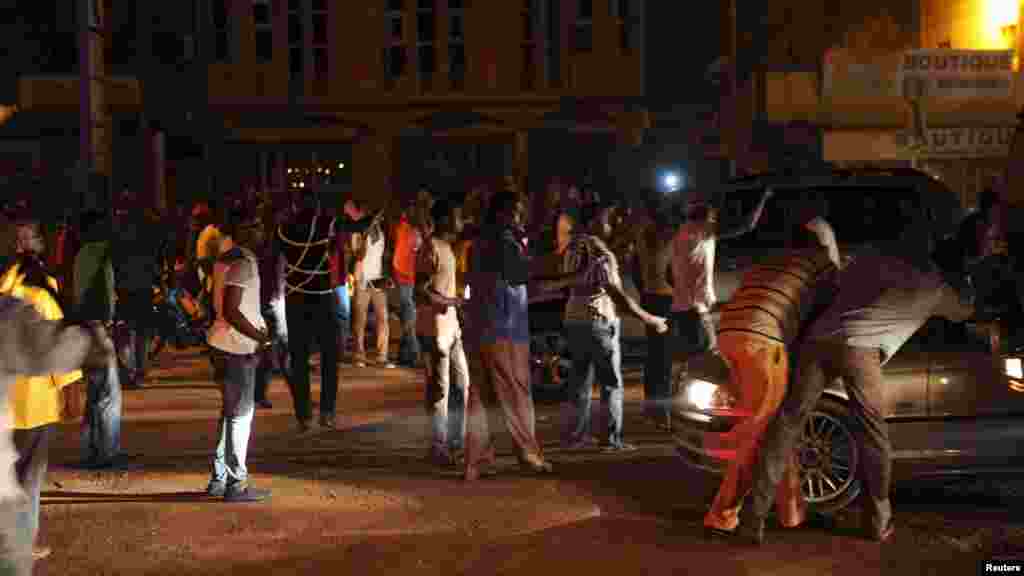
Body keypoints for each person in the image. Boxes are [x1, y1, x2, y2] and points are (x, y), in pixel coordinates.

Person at [733, 238, 975, 545]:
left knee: (787, 423)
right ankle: (877, 521)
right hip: (861, 352)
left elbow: (837, 284)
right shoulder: (939, 289)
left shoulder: (876, 259)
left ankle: (752, 521)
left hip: (817, 341)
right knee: (872, 432)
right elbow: (966, 311)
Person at [703, 217, 841, 538]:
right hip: (762, 340)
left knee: (778, 427)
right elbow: (828, 315)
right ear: (824, 244)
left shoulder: (773, 261)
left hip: (730, 334)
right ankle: (722, 515)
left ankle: (792, 512)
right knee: (759, 433)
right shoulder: (822, 265)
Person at [1, 216, 113, 564]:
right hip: (33, 403)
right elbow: (62, 345)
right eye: (30, 238)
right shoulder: (31, 292)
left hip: (10, 406)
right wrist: (71, 389)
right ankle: (24, 541)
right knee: (28, 480)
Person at [538, 203, 668, 452]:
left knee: (580, 382)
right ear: (595, 222)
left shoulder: (571, 247)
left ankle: (575, 437)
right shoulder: (599, 253)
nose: (613, 223)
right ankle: (610, 439)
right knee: (610, 383)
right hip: (598, 321)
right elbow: (619, 298)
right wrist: (651, 319)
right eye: (608, 219)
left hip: (574, 320)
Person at [463, 191, 552, 481]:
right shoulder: (504, 241)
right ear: (502, 214)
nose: (520, 217)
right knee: (516, 393)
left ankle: (476, 462)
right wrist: (561, 267)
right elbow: (520, 274)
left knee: (480, 396)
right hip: (505, 329)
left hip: (478, 327)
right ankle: (528, 453)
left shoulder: (477, 242)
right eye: (516, 212)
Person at [277, 191, 376, 433]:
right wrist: (373, 216)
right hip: (322, 299)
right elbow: (359, 225)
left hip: (295, 299)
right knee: (330, 359)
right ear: (318, 206)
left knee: (299, 359)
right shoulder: (326, 224)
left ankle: (303, 416)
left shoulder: (283, 228)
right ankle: (327, 413)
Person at [205, 210, 272, 502]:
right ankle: (236, 483)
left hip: (221, 343)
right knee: (240, 416)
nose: (262, 231)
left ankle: (220, 479)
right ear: (244, 232)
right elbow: (232, 309)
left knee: (230, 414)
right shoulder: (244, 263)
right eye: (256, 226)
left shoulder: (224, 259)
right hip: (237, 347)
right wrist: (260, 337)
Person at [670, 189, 772, 359]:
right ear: (706, 218)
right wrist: (763, 197)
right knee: (706, 357)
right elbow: (748, 225)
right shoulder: (704, 231)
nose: (715, 219)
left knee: (692, 356)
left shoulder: (680, 233)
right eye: (713, 216)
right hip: (695, 309)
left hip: (684, 305)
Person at [417, 200, 469, 467]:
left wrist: (455, 303)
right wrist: (453, 303)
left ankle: (456, 444)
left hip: (451, 329)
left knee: (461, 386)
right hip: (435, 329)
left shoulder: (447, 247)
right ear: (444, 219)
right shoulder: (431, 247)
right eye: (457, 215)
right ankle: (438, 447)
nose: (461, 220)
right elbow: (421, 290)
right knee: (441, 390)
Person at [72, 210, 123, 468]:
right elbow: (107, 289)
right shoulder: (102, 253)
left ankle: (89, 449)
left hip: (81, 326)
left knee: (93, 393)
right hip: (97, 326)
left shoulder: (80, 254)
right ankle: (107, 452)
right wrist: (110, 320)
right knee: (108, 393)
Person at [112, 206, 169, 388]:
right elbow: (153, 268)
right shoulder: (145, 242)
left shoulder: (118, 242)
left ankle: (129, 374)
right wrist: (161, 285)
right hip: (142, 291)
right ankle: (139, 374)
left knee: (127, 333)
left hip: (124, 292)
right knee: (142, 335)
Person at [635, 195, 677, 430]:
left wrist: (644, 290)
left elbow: (635, 269)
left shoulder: (642, 235)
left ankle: (652, 409)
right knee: (663, 358)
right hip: (664, 298)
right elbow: (672, 272)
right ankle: (661, 412)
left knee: (654, 356)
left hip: (650, 297)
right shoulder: (669, 237)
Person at [348, 200, 392, 369]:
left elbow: (382, 256)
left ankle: (382, 356)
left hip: (378, 279)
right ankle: (359, 355)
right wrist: (364, 236)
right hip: (362, 279)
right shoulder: (357, 234)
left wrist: (387, 276)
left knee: (383, 318)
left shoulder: (380, 232)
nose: (376, 220)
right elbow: (359, 256)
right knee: (360, 318)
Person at [392, 199, 422, 368]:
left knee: (408, 320)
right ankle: (410, 355)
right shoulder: (405, 229)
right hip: (405, 279)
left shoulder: (411, 231)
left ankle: (409, 355)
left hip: (407, 280)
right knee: (408, 319)